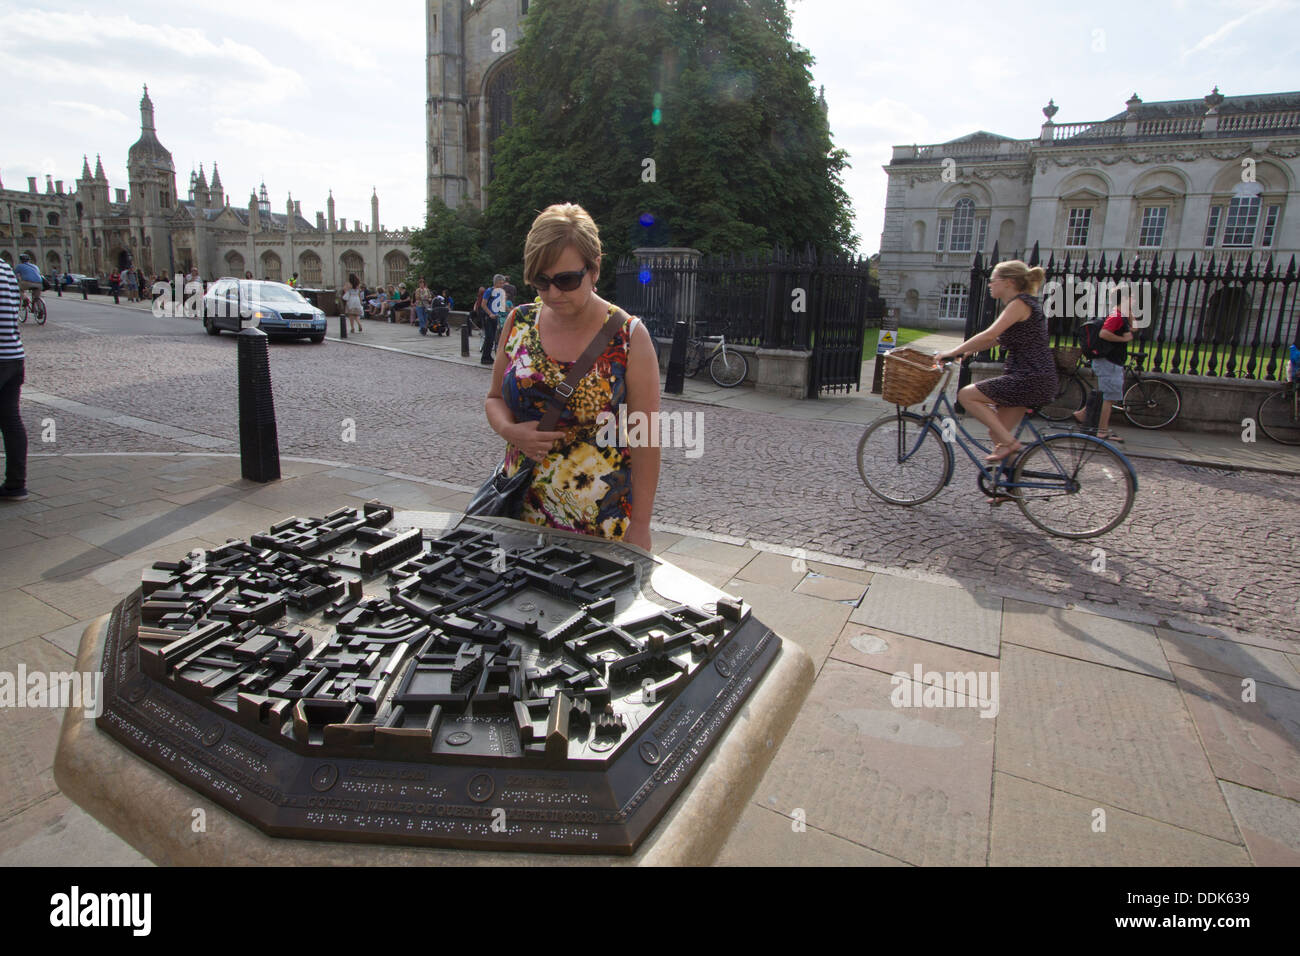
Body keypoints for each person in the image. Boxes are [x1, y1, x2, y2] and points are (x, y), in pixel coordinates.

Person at [484, 203, 660, 549]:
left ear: (594, 269)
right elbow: (494, 399)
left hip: (598, 524)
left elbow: (646, 440)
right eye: (541, 281)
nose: (552, 293)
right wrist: (510, 430)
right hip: (516, 510)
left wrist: (640, 525)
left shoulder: (628, 337)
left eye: (566, 280)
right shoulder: (519, 322)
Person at [936, 259, 1056, 464]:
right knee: (997, 434)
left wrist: (953, 350)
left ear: (1008, 282)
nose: (990, 284)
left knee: (966, 395)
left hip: (1028, 377)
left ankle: (1011, 444)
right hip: (1036, 376)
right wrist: (966, 352)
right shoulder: (1024, 304)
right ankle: (1007, 490)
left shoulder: (1019, 304)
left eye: (993, 280)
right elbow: (995, 340)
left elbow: (989, 333)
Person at [1072, 286, 1135, 441]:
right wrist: (1123, 339)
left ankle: (1082, 414)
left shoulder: (1121, 315)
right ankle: (1102, 431)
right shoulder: (1116, 317)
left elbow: (1134, 329)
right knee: (1108, 398)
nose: (1134, 301)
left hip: (1110, 362)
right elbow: (1104, 333)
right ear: (1125, 299)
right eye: (1132, 298)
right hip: (1109, 361)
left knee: (1105, 394)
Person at [0, 258, 30, 500]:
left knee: (10, 419)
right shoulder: (6, 269)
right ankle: (15, 484)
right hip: (13, 354)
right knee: (10, 419)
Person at [480, 274, 509, 365]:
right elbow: (483, 304)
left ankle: (488, 356)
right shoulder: (489, 291)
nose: (502, 285)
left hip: (495, 317)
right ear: (496, 283)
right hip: (488, 317)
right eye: (501, 283)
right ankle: (485, 357)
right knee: (489, 337)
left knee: (492, 338)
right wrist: (490, 314)